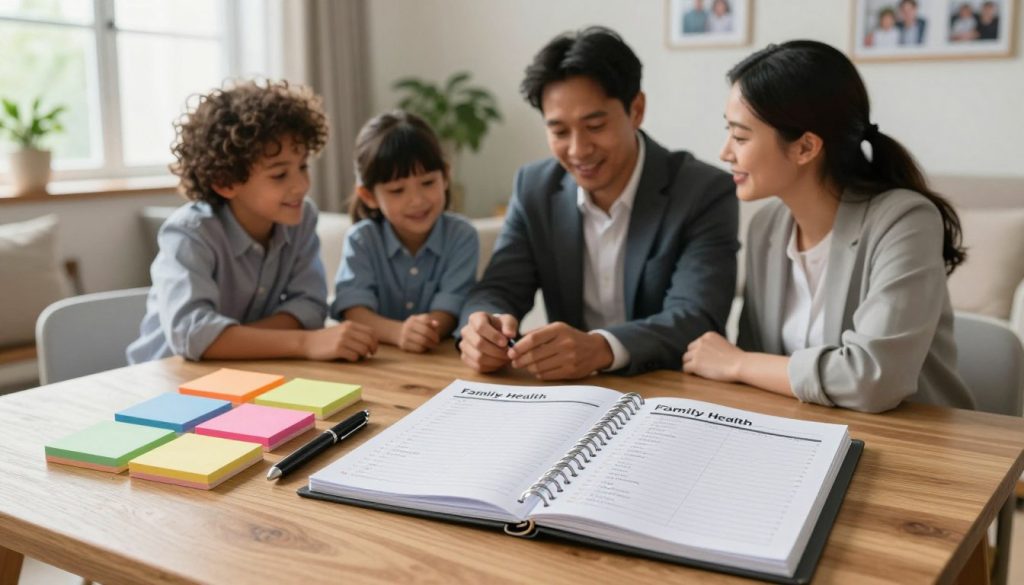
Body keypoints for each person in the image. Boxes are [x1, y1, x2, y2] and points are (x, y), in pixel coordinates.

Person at [682, 40, 974, 413]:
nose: (725, 152)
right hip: (807, 439)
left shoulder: (905, 221)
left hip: (917, 448)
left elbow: (873, 380)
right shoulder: (766, 228)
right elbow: (757, 367)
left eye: (740, 137)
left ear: (806, 147)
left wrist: (736, 362)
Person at [458, 26, 738, 380]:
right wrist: (483, 326)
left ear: (636, 110)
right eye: (559, 132)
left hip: (674, 390)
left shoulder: (703, 191)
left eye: (595, 125)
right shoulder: (534, 188)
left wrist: (603, 348)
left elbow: (697, 318)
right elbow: (499, 288)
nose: (578, 150)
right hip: (570, 395)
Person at [127, 80, 378, 364]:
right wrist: (303, 342)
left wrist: (227, 340)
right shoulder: (189, 233)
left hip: (246, 372)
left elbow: (309, 307)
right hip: (165, 383)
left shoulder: (301, 218)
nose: (302, 185)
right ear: (225, 182)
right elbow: (193, 334)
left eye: (303, 166)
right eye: (279, 175)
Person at [331, 111, 479, 353]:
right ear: (369, 196)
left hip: (437, 361)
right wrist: (398, 333)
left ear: (445, 177)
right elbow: (353, 310)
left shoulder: (462, 236)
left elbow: (451, 306)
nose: (417, 200)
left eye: (428, 182)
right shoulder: (362, 240)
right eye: (397, 190)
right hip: (376, 362)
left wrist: (427, 331)